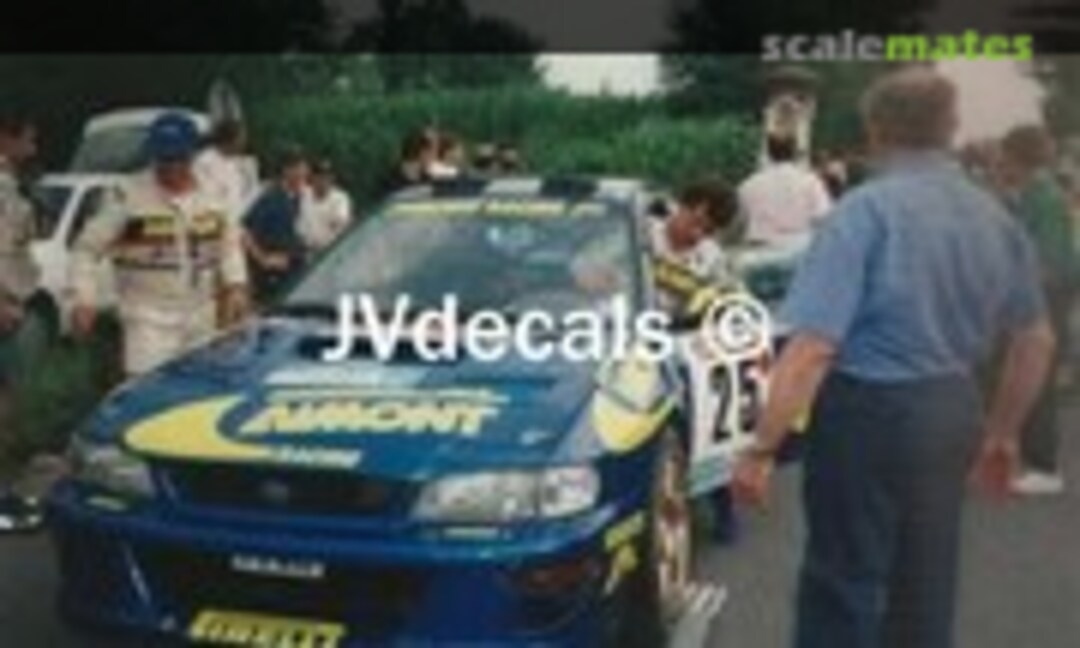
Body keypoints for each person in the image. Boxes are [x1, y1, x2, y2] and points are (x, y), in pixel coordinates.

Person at [732, 67, 1055, 648]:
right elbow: (1036, 339)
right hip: (952, 404)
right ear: (950, 129)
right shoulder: (993, 216)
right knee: (926, 578)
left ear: (876, 130)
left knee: (844, 578)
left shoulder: (863, 212)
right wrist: (1004, 432)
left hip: (867, 410)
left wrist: (761, 448)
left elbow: (813, 347)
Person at [71, 112, 249, 377]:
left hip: (201, 317)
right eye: (163, 159)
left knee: (198, 391)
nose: (170, 167)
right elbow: (86, 249)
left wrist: (236, 285)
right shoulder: (127, 195)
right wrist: (83, 298)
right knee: (148, 393)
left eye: (178, 158)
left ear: (192, 155)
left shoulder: (214, 193)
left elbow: (229, 245)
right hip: (148, 320)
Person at [998, 124, 1077, 495]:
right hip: (1043, 294)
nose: (1000, 165)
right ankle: (1032, 459)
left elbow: (1051, 259)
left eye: (1004, 157)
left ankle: (1045, 468)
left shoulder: (1043, 197)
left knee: (1038, 380)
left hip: (1046, 296)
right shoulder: (1035, 193)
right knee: (1029, 377)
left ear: (1019, 158)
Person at [0, 107, 45, 531]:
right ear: (6, 138)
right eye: (27, 140)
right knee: (8, 407)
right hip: (6, 307)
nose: (32, 149)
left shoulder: (10, 183)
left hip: (14, 302)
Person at [243, 149, 309, 306]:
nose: (303, 173)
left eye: (304, 169)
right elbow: (245, 231)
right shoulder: (271, 197)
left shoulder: (302, 197)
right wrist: (262, 258)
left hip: (295, 268)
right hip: (272, 275)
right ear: (287, 170)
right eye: (298, 169)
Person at [739, 135, 833, 245]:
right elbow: (823, 217)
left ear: (769, 154)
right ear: (794, 153)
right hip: (799, 246)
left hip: (759, 246)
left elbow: (741, 219)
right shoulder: (811, 182)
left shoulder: (749, 185)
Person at [193, 118, 255, 219]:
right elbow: (205, 198)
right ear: (229, 140)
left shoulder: (242, 163)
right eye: (241, 138)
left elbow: (247, 195)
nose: (244, 141)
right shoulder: (204, 163)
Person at [299, 159, 353, 253]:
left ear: (332, 178)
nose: (323, 180)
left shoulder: (340, 198)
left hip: (333, 252)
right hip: (308, 252)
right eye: (319, 176)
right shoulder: (304, 196)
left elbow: (341, 224)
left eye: (326, 176)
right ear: (312, 178)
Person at [381, 128, 437, 195]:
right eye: (433, 152)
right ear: (422, 152)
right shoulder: (392, 182)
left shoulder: (428, 178)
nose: (434, 157)